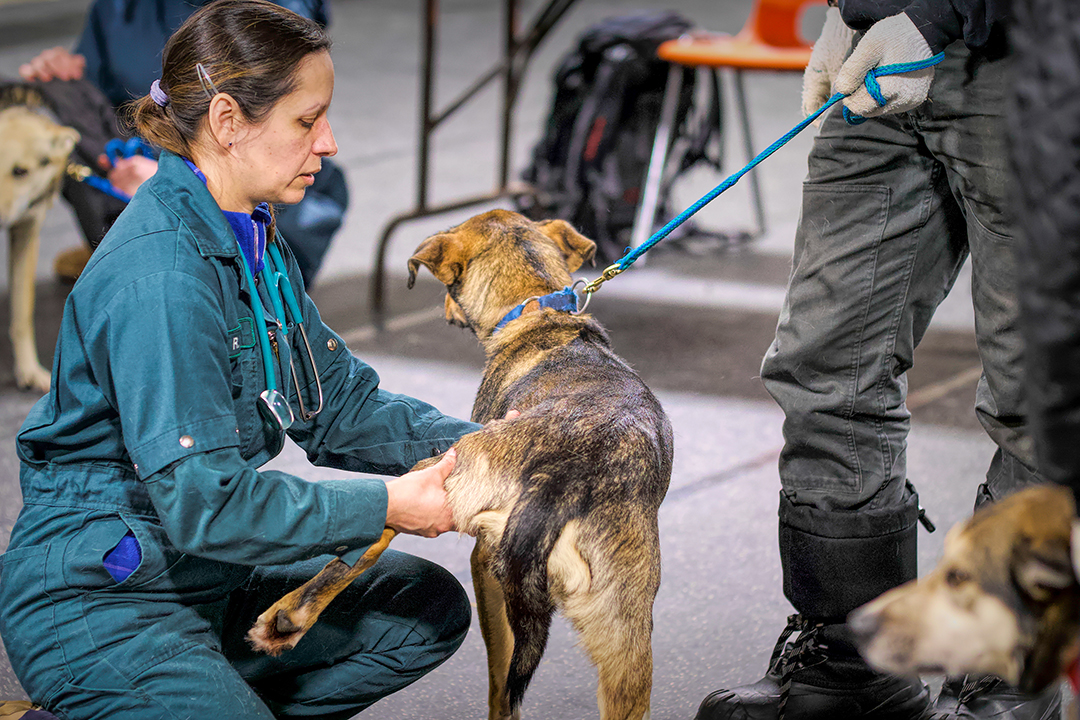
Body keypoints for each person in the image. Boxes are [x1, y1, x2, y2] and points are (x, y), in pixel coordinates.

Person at [0, 2, 480, 717]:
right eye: (306, 121)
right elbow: (209, 504)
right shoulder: (162, 275)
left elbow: (338, 406)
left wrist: (494, 451)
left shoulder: (250, 234)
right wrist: (390, 504)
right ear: (228, 122)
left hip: (203, 568)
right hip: (102, 595)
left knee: (423, 610)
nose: (330, 143)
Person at [695, 2, 1060, 719]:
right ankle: (851, 657)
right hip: (887, 55)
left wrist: (935, 10)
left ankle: (1004, 675)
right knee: (824, 363)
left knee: (1038, 395)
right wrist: (846, 7)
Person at [19, 0, 346, 287]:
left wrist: (175, 180)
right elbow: (97, 89)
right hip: (154, 159)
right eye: (308, 122)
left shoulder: (271, 13)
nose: (328, 143)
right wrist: (69, 77)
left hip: (198, 158)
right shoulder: (119, 8)